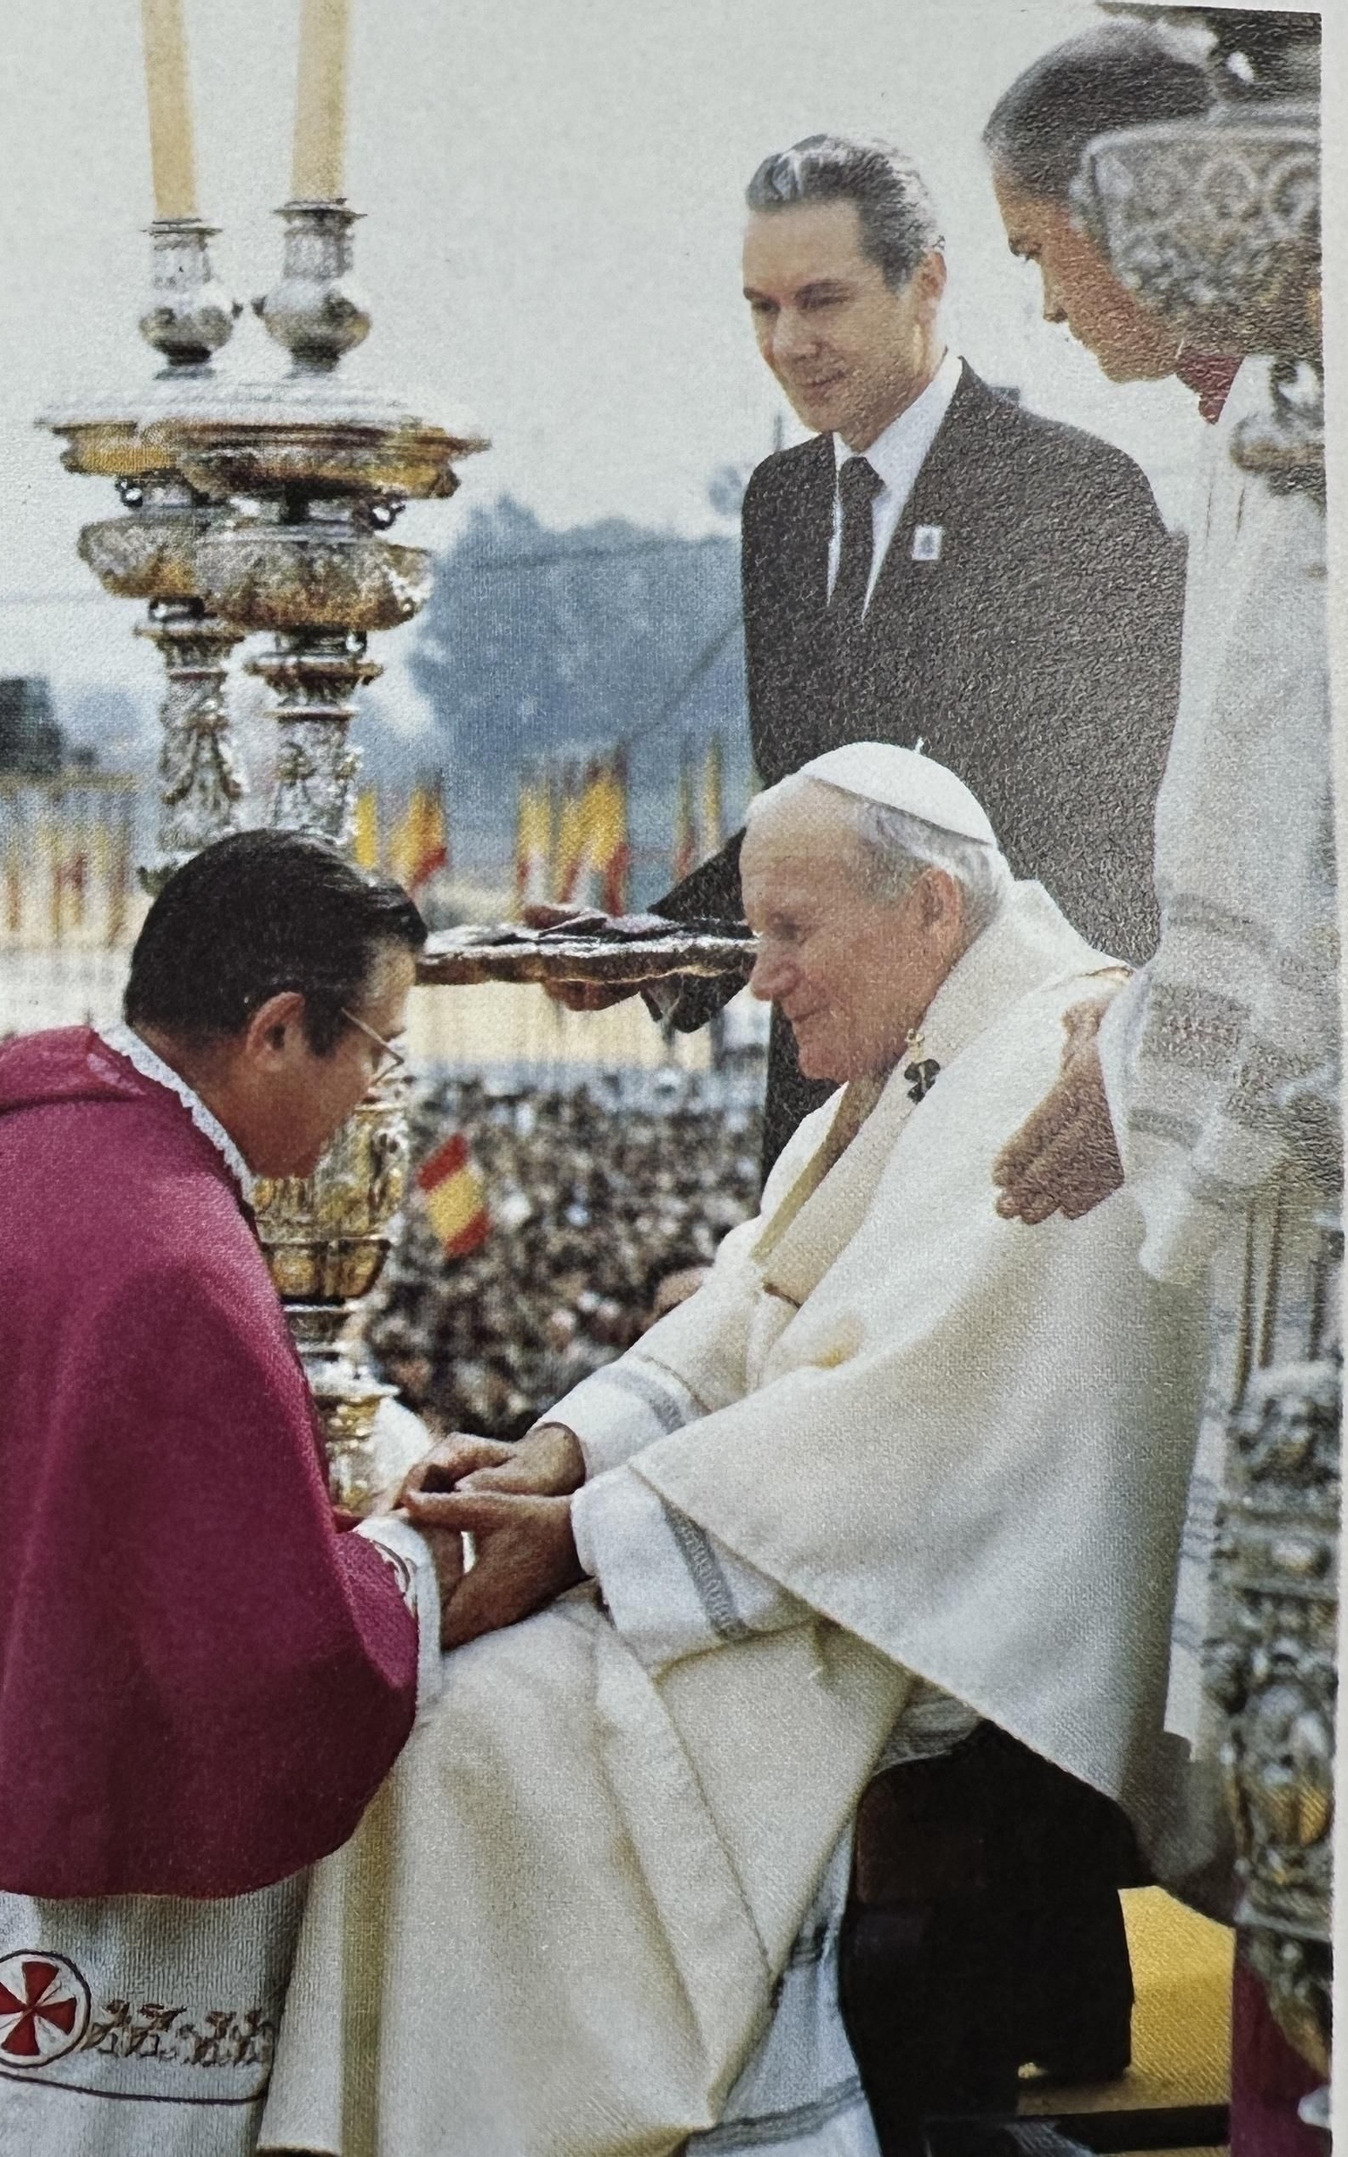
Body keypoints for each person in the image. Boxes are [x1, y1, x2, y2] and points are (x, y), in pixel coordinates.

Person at [257, 746, 1203, 2157]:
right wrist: (562, 1452)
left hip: (910, 1599)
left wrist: (590, 1539)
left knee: (482, 1740)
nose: (761, 979)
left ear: (933, 908)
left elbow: (906, 1421)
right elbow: (751, 1306)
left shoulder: (1049, 1064)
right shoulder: (901, 1068)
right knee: (457, 1709)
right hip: (807, 1555)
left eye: (792, 933)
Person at [0, 830, 458, 2157]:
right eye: (375, 1047)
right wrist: (419, 1560)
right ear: (278, 1030)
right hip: (73, 1952)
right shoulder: (172, 1256)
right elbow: (269, 1665)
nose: (372, 1093)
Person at [984, 25, 1335, 2156]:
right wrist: (1147, 1020)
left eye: (1046, 248)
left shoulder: (1283, 435)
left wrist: (1151, 1061)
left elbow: (1291, 827)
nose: (1050, 303)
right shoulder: (1251, 435)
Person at [538, 132, 1185, 1176]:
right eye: (763, 307)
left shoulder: (1071, 498)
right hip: (820, 1096)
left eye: (822, 300)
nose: (789, 342)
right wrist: (655, 950)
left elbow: (1120, 826)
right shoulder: (782, 506)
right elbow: (810, 808)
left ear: (923, 283)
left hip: (1004, 1093)